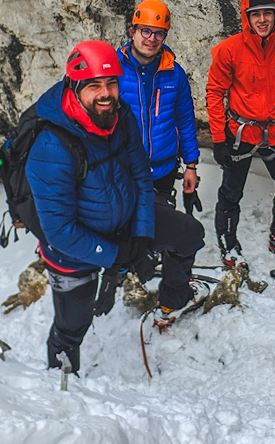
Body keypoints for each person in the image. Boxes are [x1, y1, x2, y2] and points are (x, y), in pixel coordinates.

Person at [26, 41, 202, 371]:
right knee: (72, 325)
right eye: (94, 85)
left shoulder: (120, 116)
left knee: (188, 234)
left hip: (122, 224)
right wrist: (116, 256)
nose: (106, 93)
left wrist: (140, 236)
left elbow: (140, 176)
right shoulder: (51, 145)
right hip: (73, 250)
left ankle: (173, 300)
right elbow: (60, 231)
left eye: (111, 83)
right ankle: (59, 380)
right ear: (75, 87)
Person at [113, 0, 206, 328]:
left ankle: (171, 298)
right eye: (146, 31)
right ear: (132, 31)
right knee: (126, 228)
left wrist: (191, 164)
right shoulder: (113, 71)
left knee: (168, 230)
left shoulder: (173, 74)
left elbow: (184, 121)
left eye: (159, 33)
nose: (151, 39)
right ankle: (126, 273)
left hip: (163, 169)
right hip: (125, 172)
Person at [206, 0, 275, 265]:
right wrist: (218, 139)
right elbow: (215, 93)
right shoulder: (229, 50)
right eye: (255, 14)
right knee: (231, 192)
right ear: (246, 17)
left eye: (268, 13)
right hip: (241, 130)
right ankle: (228, 244)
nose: (262, 20)